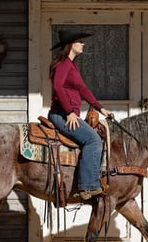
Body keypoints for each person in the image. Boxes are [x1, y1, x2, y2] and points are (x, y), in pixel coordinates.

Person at [48, 29, 112, 200]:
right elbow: (57, 87)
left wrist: (100, 108)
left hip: (68, 113)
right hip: (61, 114)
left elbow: (83, 89)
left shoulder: (73, 66)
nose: (83, 44)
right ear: (70, 45)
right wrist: (69, 112)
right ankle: (87, 186)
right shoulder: (64, 64)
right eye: (79, 41)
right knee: (93, 139)